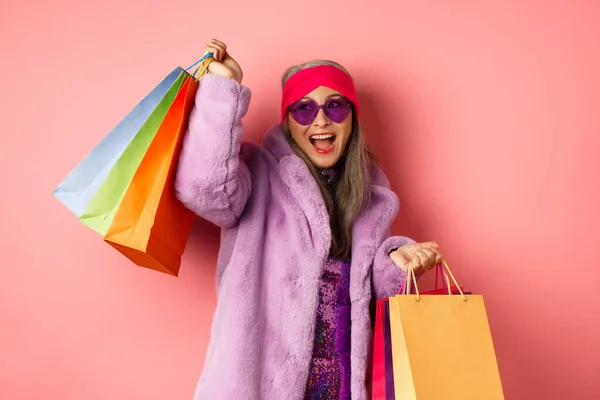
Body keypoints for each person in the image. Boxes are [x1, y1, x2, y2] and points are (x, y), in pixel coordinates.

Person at [174, 38, 444, 400]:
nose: (320, 120)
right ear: (288, 121)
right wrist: (224, 87)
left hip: (340, 390)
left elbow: (366, 300)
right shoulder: (258, 175)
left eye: (335, 107)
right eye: (303, 109)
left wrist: (396, 263)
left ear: (352, 118)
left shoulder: (369, 195)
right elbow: (202, 189)